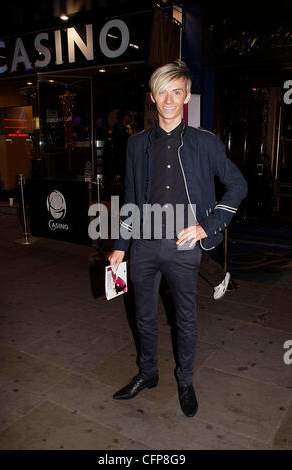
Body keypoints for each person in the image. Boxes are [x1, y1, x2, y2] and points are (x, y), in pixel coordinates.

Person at [108, 60, 247, 417]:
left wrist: (209, 225)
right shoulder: (137, 145)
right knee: (143, 316)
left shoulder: (204, 143)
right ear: (153, 97)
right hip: (143, 245)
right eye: (163, 92)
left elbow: (237, 185)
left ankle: (184, 380)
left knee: (184, 318)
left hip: (184, 247)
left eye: (177, 92)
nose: (170, 99)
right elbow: (131, 199)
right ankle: (148, 374)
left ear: (185, 97)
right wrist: (120, 246)